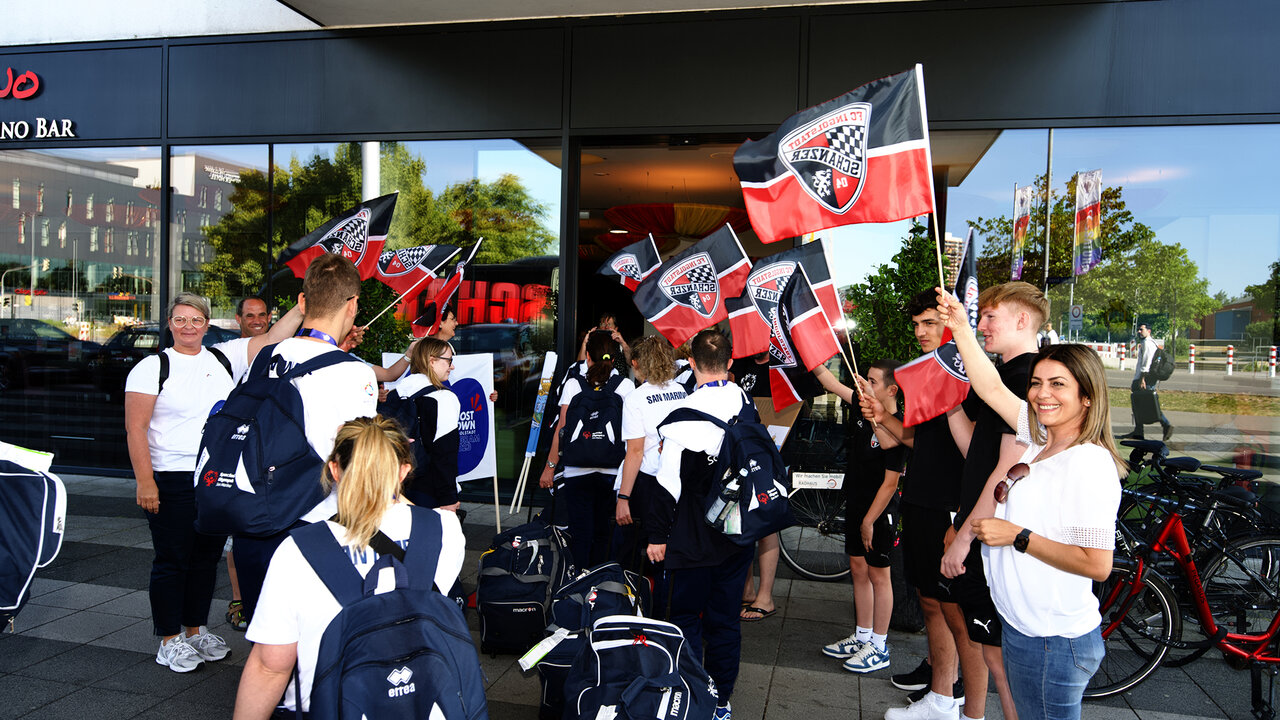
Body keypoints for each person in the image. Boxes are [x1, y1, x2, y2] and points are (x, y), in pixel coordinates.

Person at [936, 289, 1121, 720]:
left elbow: (1098, 565)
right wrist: (961, 327)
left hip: (1054, 639)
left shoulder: (1089, 462)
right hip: (1023, 628)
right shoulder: (1040, 438)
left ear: (1087, 397)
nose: (1042, 394)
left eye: (1059, 385)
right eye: (1037, 383)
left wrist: (1017, 537)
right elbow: (988, 385)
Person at [233, 416, 466, 719]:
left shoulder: (297, 551)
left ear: (334, 470)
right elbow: (411, 513)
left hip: (329, 708)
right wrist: (391, 480)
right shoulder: (446, 531)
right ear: (404, 471)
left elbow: (270, 665)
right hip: (419, 704)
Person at [231, 253, 380, 625]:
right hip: (313, 524)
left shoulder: (265, 355)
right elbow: (356, 462)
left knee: (267, 646)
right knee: (316, 650)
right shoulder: (356, 374)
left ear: (302, 301)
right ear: (353, 306)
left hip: (253, 516)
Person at [941, 281, 1048, 720]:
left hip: (997, 539)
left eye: (990, 317)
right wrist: (947, 406)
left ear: (1022, 320)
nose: (981, 325)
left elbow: (1006, 472)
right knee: (993, 656)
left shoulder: (1027, 377)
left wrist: (964, 537)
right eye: (979, 318)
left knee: (1003, 664)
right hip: (984, 531)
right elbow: (979, 454)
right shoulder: (1007, 374)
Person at [863, 290, 971, 720]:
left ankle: (948, 695)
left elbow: (978, 453)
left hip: (947, 506)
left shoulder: (967, 374)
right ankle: (940, 687)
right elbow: (915, 440)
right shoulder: (929, 371)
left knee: (950, 607)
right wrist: (881, 416)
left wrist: (962, 518)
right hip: (921, 501)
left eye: (928, 322)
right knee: (929, 601)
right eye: (917, 324)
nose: (920, 331)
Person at [646, 328, 757, 720]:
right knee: (725, 622)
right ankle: (721, 700)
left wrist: (657, 537)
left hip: (692, 538)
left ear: (690, 364)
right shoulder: (744, 403)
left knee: (683, 619)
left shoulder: (682, 417)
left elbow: (666, 485)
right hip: (738, 533)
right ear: (730, 362)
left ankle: (695, 698)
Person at [124, 293, 237, 672]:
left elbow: (271, 340)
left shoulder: (222, 360)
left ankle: (194, 630)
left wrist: (304, 307)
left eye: (196, 320)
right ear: (169, 324)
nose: (188, 326)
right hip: (170, 476)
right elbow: (135, 429)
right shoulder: (151, 367)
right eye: (180, 319)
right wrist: (145, 482)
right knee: (173, 559)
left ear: (207, 324)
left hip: (212, 476)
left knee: (205, 558)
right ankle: (169, 639)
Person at [816, 359, 905, 673]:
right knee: (857, 567)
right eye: (864, 380)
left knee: (880, 574)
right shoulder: (860, 405)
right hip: (855, 502)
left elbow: (890, 481)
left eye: (873, 382)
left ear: (892, 389)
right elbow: (829, 381)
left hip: (879, 512)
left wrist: (869, 520)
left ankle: (879, 645)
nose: (864, 386)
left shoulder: (899, 423)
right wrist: (807, 350)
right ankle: (862, 635)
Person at [539, 329, 635, 567]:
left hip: (576, 470)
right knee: (604, 534)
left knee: (580, 534)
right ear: (614, 359)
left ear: (587, 357)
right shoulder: (625, 386)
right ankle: (599, 588)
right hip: (611, 472)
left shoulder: (574, 384)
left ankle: (579, 586)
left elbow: (561, 430)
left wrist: (550, 467)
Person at [615, 334, 687, 575]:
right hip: (678, 478)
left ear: (635, 363)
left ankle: (640, 602)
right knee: (672, 546)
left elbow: (634, 452)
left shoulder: (636, 398)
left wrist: (623, 498)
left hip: (649, 483)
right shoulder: (683, 392)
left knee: (638, 552)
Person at [732, 351, 778, 623]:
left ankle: (766, 596)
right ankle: (748, 588)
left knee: (767, 523)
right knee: (746, 520)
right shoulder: (741, 363)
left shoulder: (782, 366)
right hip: (745, 451)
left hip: (772, 450)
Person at [392, 337, 462, 512]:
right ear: (432, 361)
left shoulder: (395, 394)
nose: (451, 367)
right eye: (449, 361)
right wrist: (448, 498)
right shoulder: (444, 398)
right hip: (429, 491)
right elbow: (445, 453)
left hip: (393, 486)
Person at [1120, 323, 1173, 441]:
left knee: (1148, 404)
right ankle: (1139, 431)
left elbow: (1146, 362)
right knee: (1139, 403)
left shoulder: (1148, 344)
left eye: (1141, 329)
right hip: (1144, 377)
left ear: (1148, 331)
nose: (1139, 331)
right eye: (1138, 329)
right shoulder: (1149, 343)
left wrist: (1142, 379)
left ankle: (1166, 425)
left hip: (1145, 378)